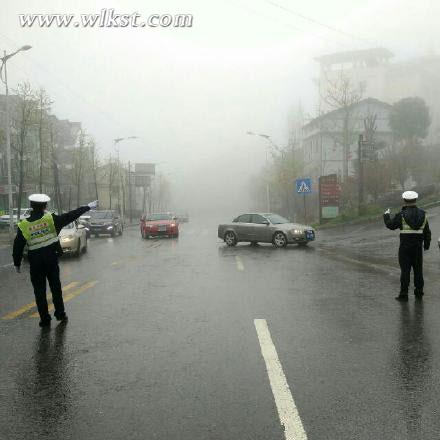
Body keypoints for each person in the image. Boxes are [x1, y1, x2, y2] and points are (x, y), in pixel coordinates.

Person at [13, 194, 98, 327]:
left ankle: (45, 319)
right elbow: (71, 215)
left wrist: (17, 263)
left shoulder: (23, 225)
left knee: (39, 291)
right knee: (56, 288)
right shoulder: (50, 219)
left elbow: (17, 246)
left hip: (36, 263)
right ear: (45, 206)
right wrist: (87, 207)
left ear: (31, 206)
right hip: (51, 260)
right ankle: (60, 313)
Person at [383, 191, 431, 301]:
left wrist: (386, 216)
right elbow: (427, 232)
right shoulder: (423, 214)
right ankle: (419, 292)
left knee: (405, 271)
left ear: (404, 200)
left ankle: (403, 295)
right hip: (418, 248)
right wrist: (426, 245)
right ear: (415, 200)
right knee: (418, 270)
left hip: (405, 248)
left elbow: (391, 225)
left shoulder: (401, 215)